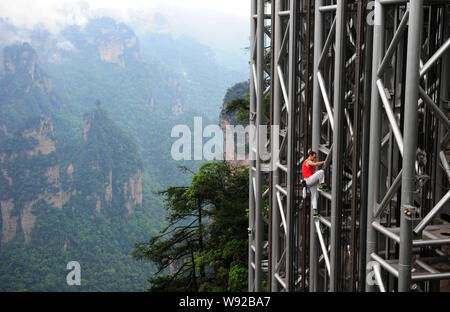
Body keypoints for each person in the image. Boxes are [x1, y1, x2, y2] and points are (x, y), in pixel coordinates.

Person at [302, 151, 329, 219]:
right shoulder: (308, 161)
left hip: (310, 181)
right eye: (314, 157)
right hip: (309, 180)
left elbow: (311, 172)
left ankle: (315, 212)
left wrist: (315, 173)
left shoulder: (308, 163)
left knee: (315, 196)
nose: (314, 159)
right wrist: (324, 162)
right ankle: (321, 185)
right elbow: (315, 164)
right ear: (310, 155)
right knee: (321, 171)